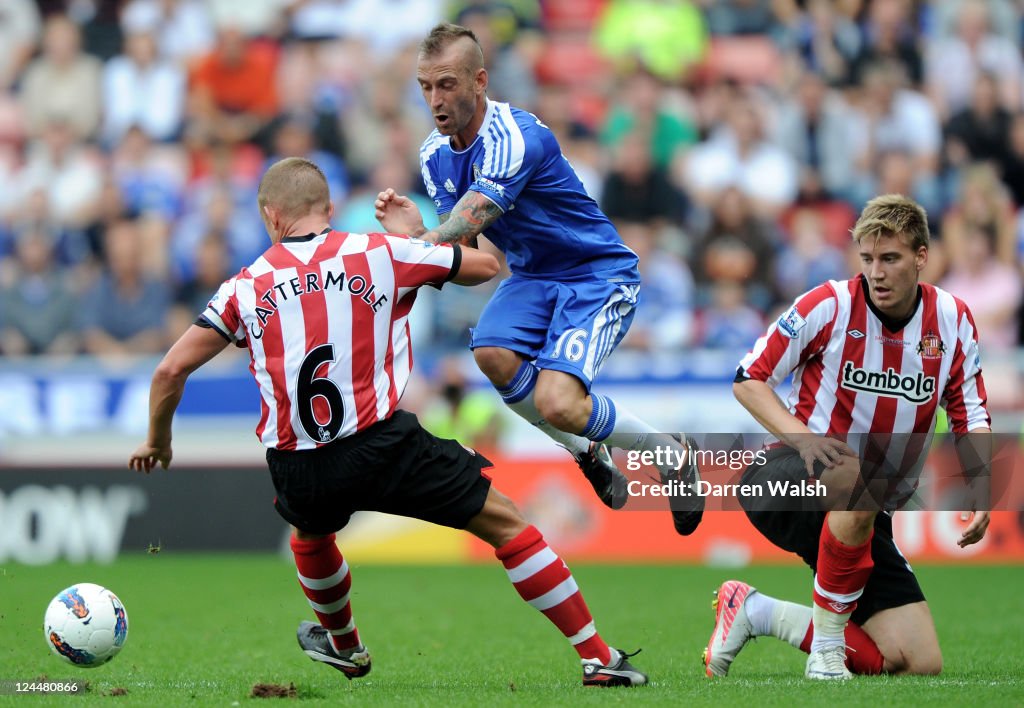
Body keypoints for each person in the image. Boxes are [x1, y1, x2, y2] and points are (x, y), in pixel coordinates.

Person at [128, 157, 647, 688]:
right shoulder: (378, 252)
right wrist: (419, 236)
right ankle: (598, 657)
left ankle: (346, 645)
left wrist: (158, 440)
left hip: (298, 463)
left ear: (270, 215)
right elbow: (485, 270)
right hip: (382, 444)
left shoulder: (244, 286)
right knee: (507, 524)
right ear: (328, 209)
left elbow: (171, 369)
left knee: (310, 533)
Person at [375, 23, 701, 523]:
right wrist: (419, 236)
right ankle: (587, 452)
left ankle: (671, 456)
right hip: (532, 279)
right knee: (491, 352)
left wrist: (421, 241)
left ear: (480, 80)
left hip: (595, 275)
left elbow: (475, 215)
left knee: (557, 400)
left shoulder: (514, 135)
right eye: (425, 86)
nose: (434, 99)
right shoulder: (433, 155)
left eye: (447, 84)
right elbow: (470, 254)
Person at [702, 194, 991, 680]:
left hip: (862, 506)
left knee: (913, 661)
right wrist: (802, 439)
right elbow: (749, 378)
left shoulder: (952, 319)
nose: (876, 272)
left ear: (921, 257)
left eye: (890, 259)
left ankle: (752, 610)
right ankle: (828, 651)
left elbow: (970, 411)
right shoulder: (829, 304)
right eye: (868, 259)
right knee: (863, 477)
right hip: (782, 477)